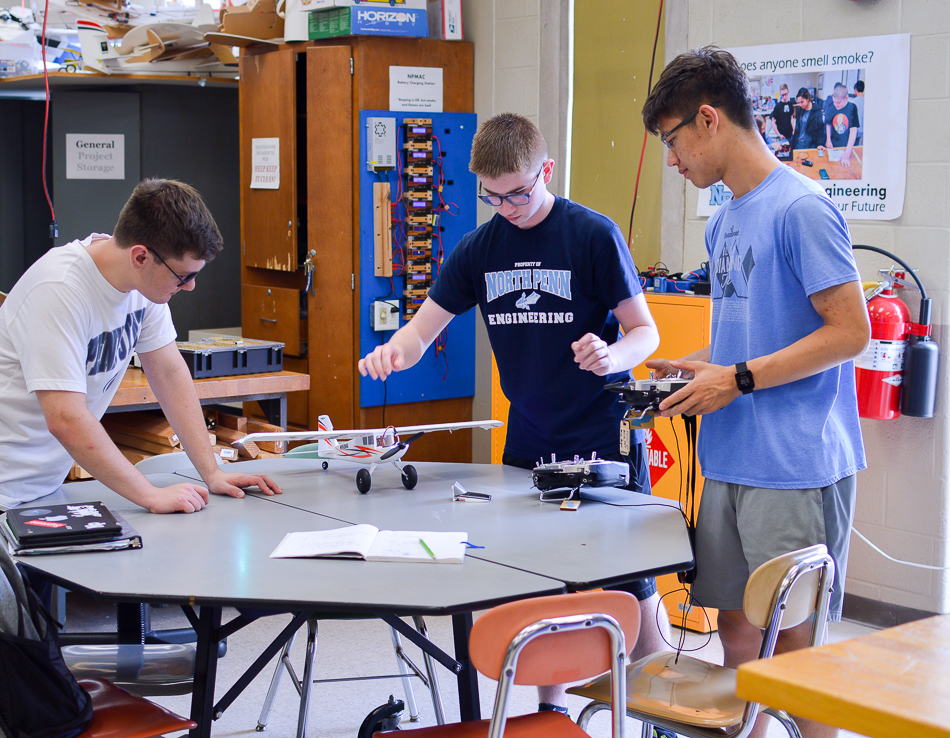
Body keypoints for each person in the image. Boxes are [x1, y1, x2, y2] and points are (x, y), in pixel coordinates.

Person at [0, 179, 284, 738]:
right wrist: (149, 495)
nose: (191, 286)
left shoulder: (144, 291)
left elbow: (169, 370)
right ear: (141, 255)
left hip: (36, 485)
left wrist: (211, 470)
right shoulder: (61, 289)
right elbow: (67, 418)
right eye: (184, 275)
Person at [358, 113, 672, 720]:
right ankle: (551, 714)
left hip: (600, 434)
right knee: (542, 584)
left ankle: (663, 715)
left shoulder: (592, 235)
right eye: (492, 196)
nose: (507, 208)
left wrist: (612, 356)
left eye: (518, 194)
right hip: (530, 438)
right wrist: (392, 352)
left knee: (631, 585)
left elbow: (645, 332)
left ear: (546, 171)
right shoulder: (480, 248)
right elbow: (421, 333)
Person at [641, 46, 869, 738]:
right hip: (730, 460)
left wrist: (736, 379)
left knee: (795, 646)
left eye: (672, 141)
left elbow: (851, 332)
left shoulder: (802, 209)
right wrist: (691, 370)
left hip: (794, 466)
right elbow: (746, 336)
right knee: (738, 632)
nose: (673, 161)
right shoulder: (724, 221)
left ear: (708, 120)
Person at [823, 82, 860, 167]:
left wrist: (847, 153)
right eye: (834, 102)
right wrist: (828, 139)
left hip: (846, 145)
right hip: (834, 144)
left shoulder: (852, 107)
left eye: (839, 102)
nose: (836, 105)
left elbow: (853, 131)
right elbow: (828, 124)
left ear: (846, 98)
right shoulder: (832, 107)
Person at [852, 79, 865, 145]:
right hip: (863, 131)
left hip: (854, 131)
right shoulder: (867, 102)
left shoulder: (853, 102)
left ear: (856, 89)